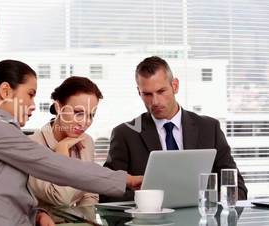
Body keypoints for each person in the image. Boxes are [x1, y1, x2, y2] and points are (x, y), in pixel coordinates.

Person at [0, 59, 143, 226]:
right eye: (30, 94)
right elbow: (56, 166)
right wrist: (128, 179)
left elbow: (9, 194)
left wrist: (38, 214)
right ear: (5, 91)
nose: (33, 105)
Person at [101, 56, 247, 202]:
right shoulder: (125, 134)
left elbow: (237, 188)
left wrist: (208, 201)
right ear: (139, 92)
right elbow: (107, 194)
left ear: (175, 86)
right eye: (147, 94)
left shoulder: (209, 128)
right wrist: (152, 199)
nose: (155, 102)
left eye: (161, 91)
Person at [28, 76, 101, 208]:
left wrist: (84, 221)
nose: (85, 122)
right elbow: (60, 198)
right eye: (78, 113)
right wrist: (62, 152)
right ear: (58, 108)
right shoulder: (32, 145)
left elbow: (90, 193)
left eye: (91, 115)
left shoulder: (86, 141)